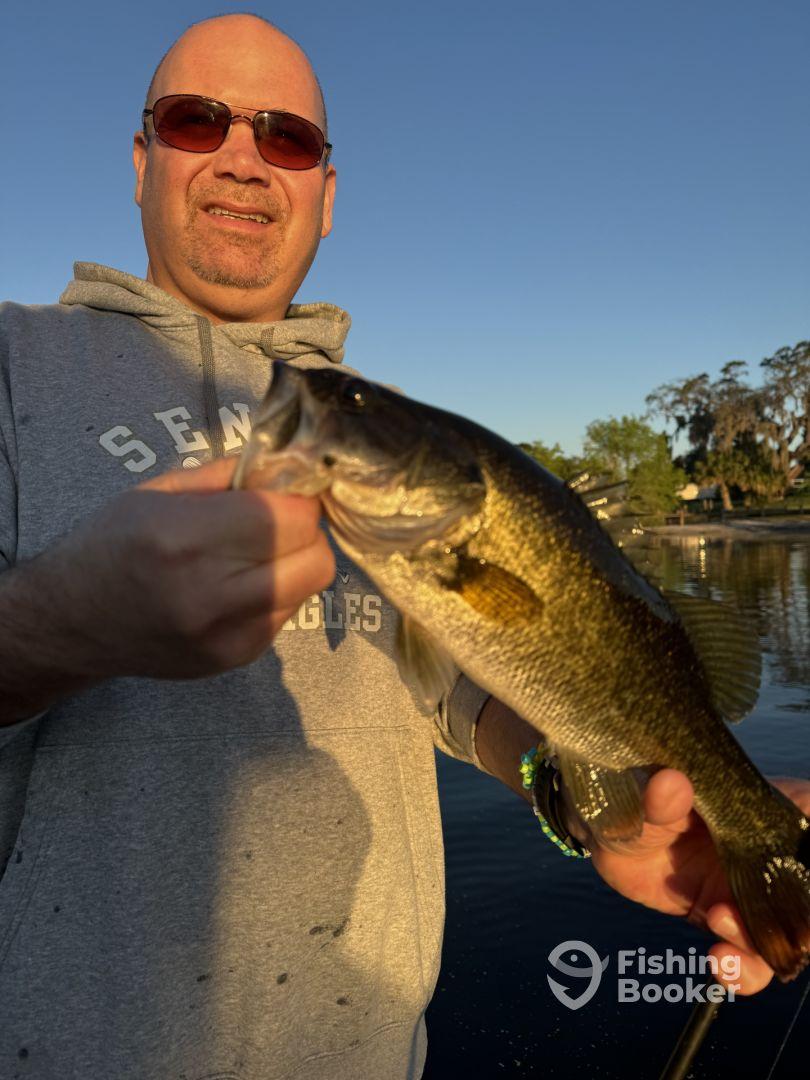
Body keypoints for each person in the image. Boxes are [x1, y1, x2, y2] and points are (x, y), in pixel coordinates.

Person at [0, 12, 807, 1079]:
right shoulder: (17, 367)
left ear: (326, 196)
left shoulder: (363, 456)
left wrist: (586, 799)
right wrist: (60, 622)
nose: (243, 156)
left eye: (285, 137)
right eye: (197, 121)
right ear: (142, 159)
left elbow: (438, 685)